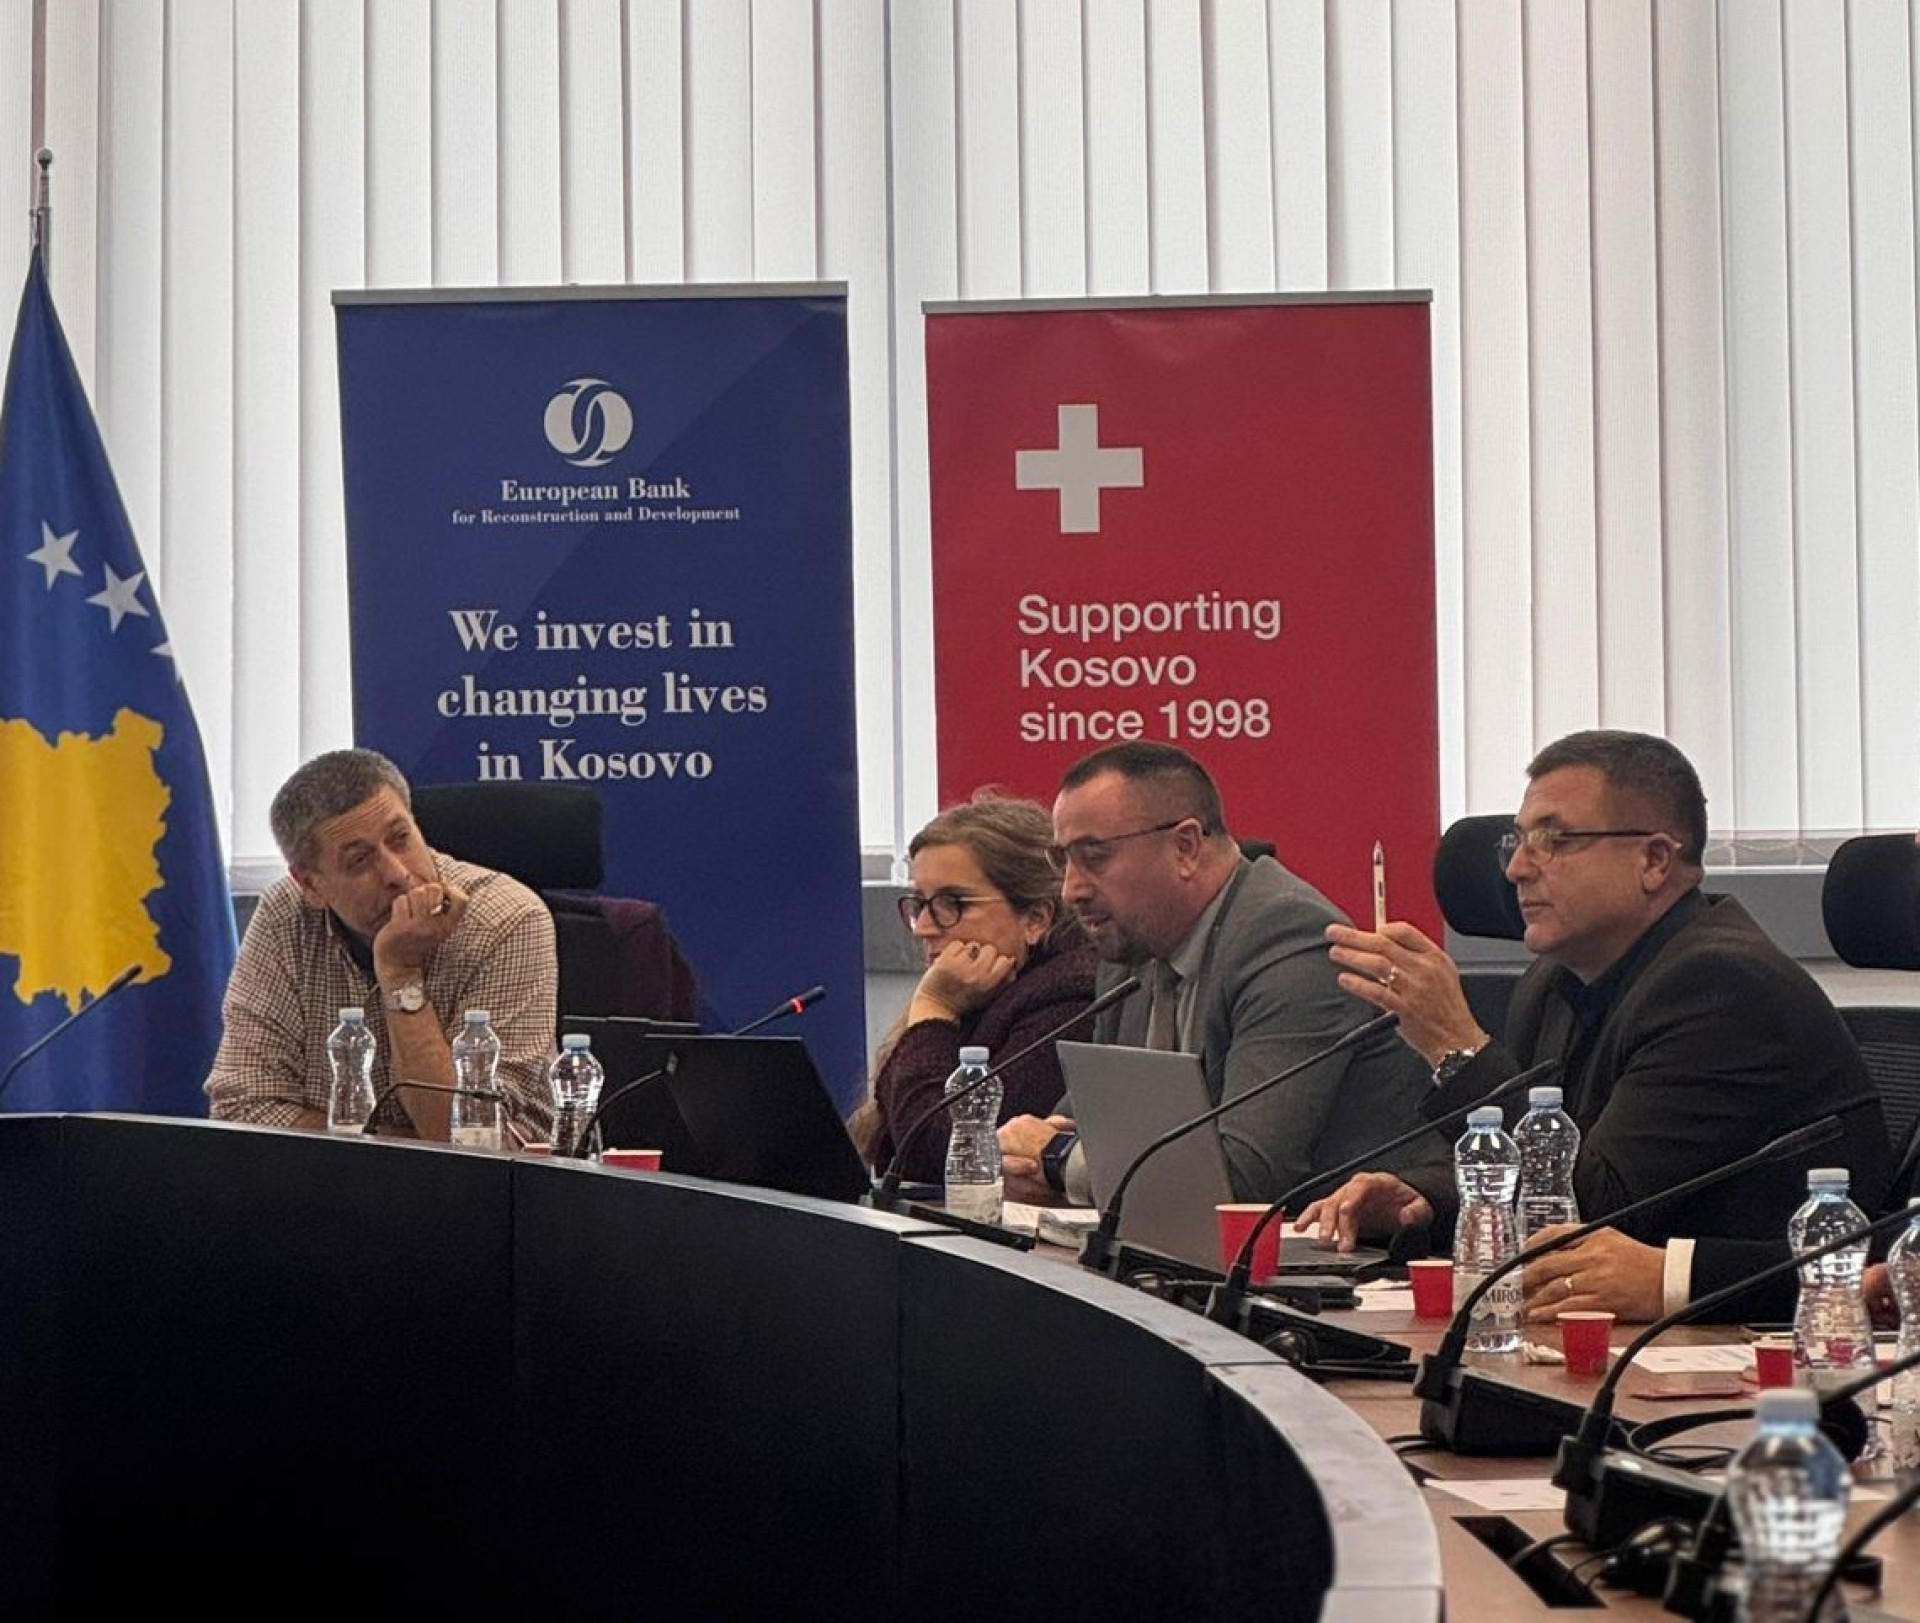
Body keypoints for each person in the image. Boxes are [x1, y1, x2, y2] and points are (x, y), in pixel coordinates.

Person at [1301, 729, 1893, 1324]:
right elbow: (1550, 1181)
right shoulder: (1555, 981)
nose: (1517, 869)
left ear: (1654, 861)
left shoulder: (1721, 985)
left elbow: (1596, 1211)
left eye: (1554, 840)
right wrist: (1426, 1200)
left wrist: (1456, 1047)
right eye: (1518, 840)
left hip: (1767, 1338)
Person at [997, 741, 1430, 1206]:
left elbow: (1239, 1180)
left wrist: (1059, 1161)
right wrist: (1030, 1156)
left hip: (1352, 1246)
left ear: (1185, 846)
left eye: (1095, 856)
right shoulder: (1132, 945)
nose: (1071, 890)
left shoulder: (1289, 939)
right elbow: (1080, 1126)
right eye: (1063, 860)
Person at [205, 748, 558, 1142]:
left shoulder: (506, 919)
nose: (397, 873)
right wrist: (392, 1149)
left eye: (401, 839)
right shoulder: (285, 916)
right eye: (360, 860)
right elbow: (241, 1109)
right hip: (321, 1179)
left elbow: (474, 1141)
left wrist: (400, 974)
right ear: (310, 884)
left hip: (493, 1183)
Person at [857, 794, 1098, 1186]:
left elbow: (937, 1151)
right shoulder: (974, 996)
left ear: (1035, 919)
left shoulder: (1068, 1001)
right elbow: (886, 1149)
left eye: (953, 904)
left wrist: (932, 1010)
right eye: (920, 904)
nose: (924, 928)